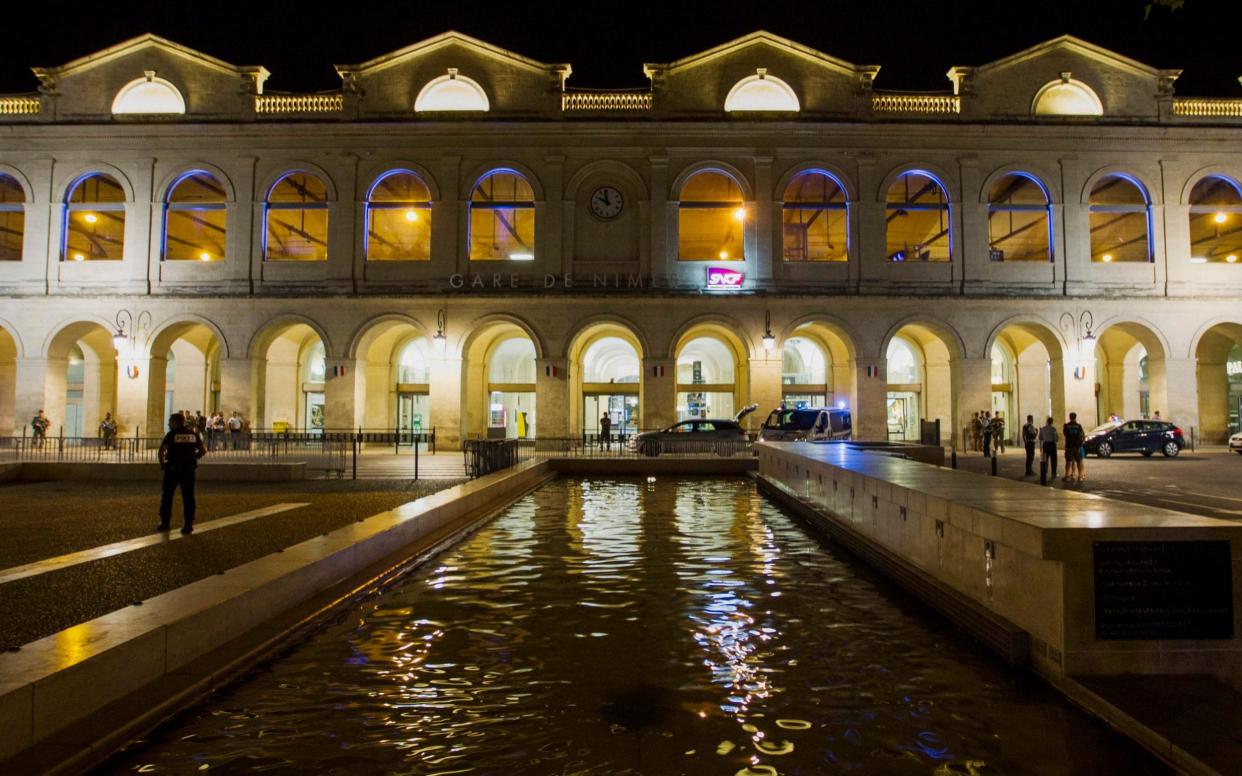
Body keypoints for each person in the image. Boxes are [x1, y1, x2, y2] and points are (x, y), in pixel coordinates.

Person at [157, 412, 206, 535]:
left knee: (167, 497)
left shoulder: (171, 435)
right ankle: (188, 524)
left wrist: (162, 465)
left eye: (170, 421)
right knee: (188, 497)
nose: (169, 424)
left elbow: (161, 450)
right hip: (188, 470)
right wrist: (195, 457)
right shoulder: (192, 434)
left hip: (172, 470)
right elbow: (203, 450)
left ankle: (165, 523)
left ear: (175, 422)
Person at [1063, 412, 1086, 483]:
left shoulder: (1066, 426)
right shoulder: (1079, 426)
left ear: (1070, 417)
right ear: (1075, 417)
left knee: (1068, 461)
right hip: (1078, 446)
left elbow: (1065, 435)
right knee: (1079, 461)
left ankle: (1067, 475)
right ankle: (1080, 476)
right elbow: (1082, 435)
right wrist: (1081, 444)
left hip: (1069, 446)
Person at [1038, 416, 1059, 481]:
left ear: (1047, 422)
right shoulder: (1053, 429)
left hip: (1045, 445)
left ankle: (1044, 472)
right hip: (1052, 445)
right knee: (1053, 460)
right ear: (1052, 422)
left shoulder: (1043, 429)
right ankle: (1053, 473)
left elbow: (1040, 438)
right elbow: (1056, 438)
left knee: (1045, 460)